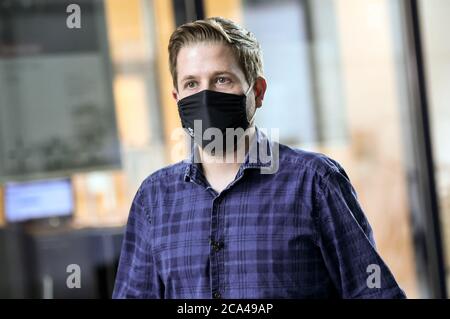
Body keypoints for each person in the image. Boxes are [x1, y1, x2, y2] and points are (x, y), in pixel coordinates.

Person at [113, 17, 406, 299]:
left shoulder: (314, 183)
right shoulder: (153, 198)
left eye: (222, 80)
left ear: (258, 91)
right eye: (192, 84)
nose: (205, 97)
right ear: (177, 98)